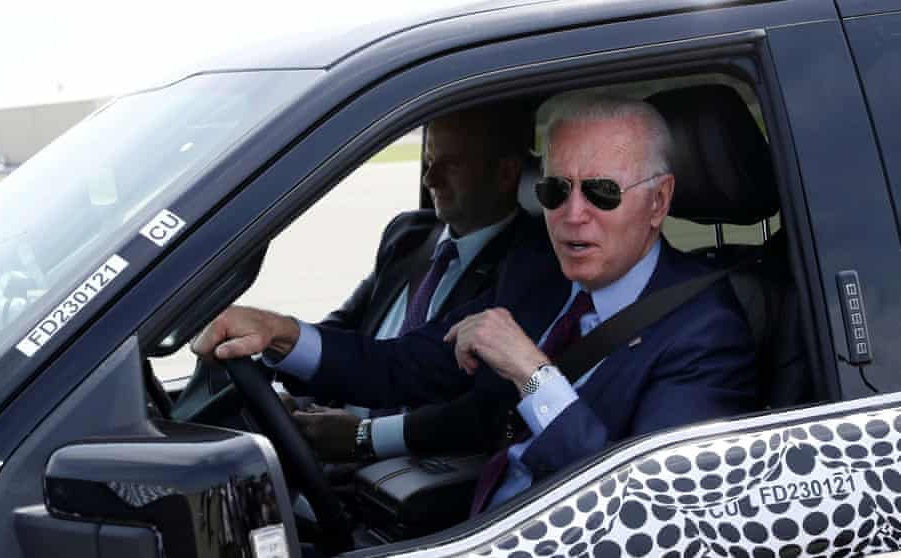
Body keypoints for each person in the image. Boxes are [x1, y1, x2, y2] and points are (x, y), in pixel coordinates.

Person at [193, 95, 757, 511]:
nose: (572, 214)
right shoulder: (542, 279)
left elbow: (650, 511)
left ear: (658, 202)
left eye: (602, 192)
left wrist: (530, 373)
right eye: (556, 190)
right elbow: (403, 366)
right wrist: (279, 332)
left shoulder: (705, 331)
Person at [280, 103, 536, 462]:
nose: (429, 179)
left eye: (451, 165)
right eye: (429, 161)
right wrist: (276, 364)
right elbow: (346, 326)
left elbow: (412, 366)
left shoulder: (527, 264)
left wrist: (361, 436)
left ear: (506, 173)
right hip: (333, 442)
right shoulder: (409, 234)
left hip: (411, 471)